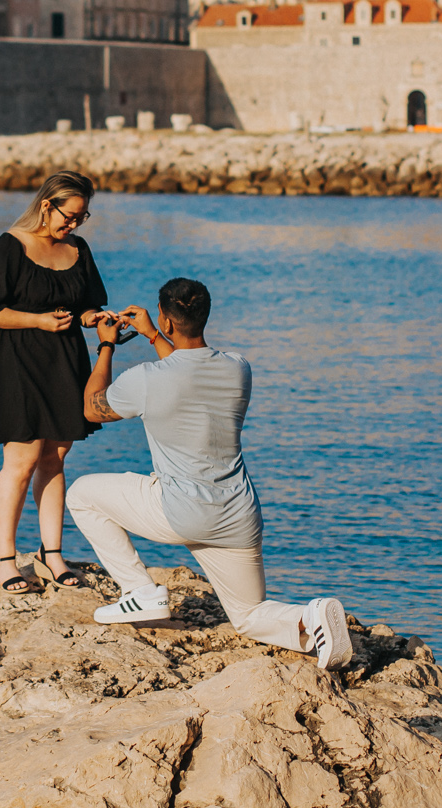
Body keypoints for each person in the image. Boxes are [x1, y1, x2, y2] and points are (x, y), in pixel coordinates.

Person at [68, 278, 352, 670]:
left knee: (82, 494)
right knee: (249, 616)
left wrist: (106, 345)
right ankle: (311, 617)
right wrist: (153, 334)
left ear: (167, 320)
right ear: (205, 315)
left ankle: (139, 591)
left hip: (179, 513)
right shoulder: (238, 368)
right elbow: (186, 367)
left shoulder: (148, 379)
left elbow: (92, 408)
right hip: (237, 517)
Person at [0, 170, 109, 594]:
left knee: (55, 459)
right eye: (71, 216)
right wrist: (38, 321)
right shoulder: (8, 246)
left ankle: (52, 555)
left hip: (67, 361)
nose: (75, 224)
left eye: (82, 218)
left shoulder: (78, 248)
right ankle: (5, 559)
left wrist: (91, 318)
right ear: (47, 205)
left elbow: (85, 304)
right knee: (22, 461)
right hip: (21, 361)